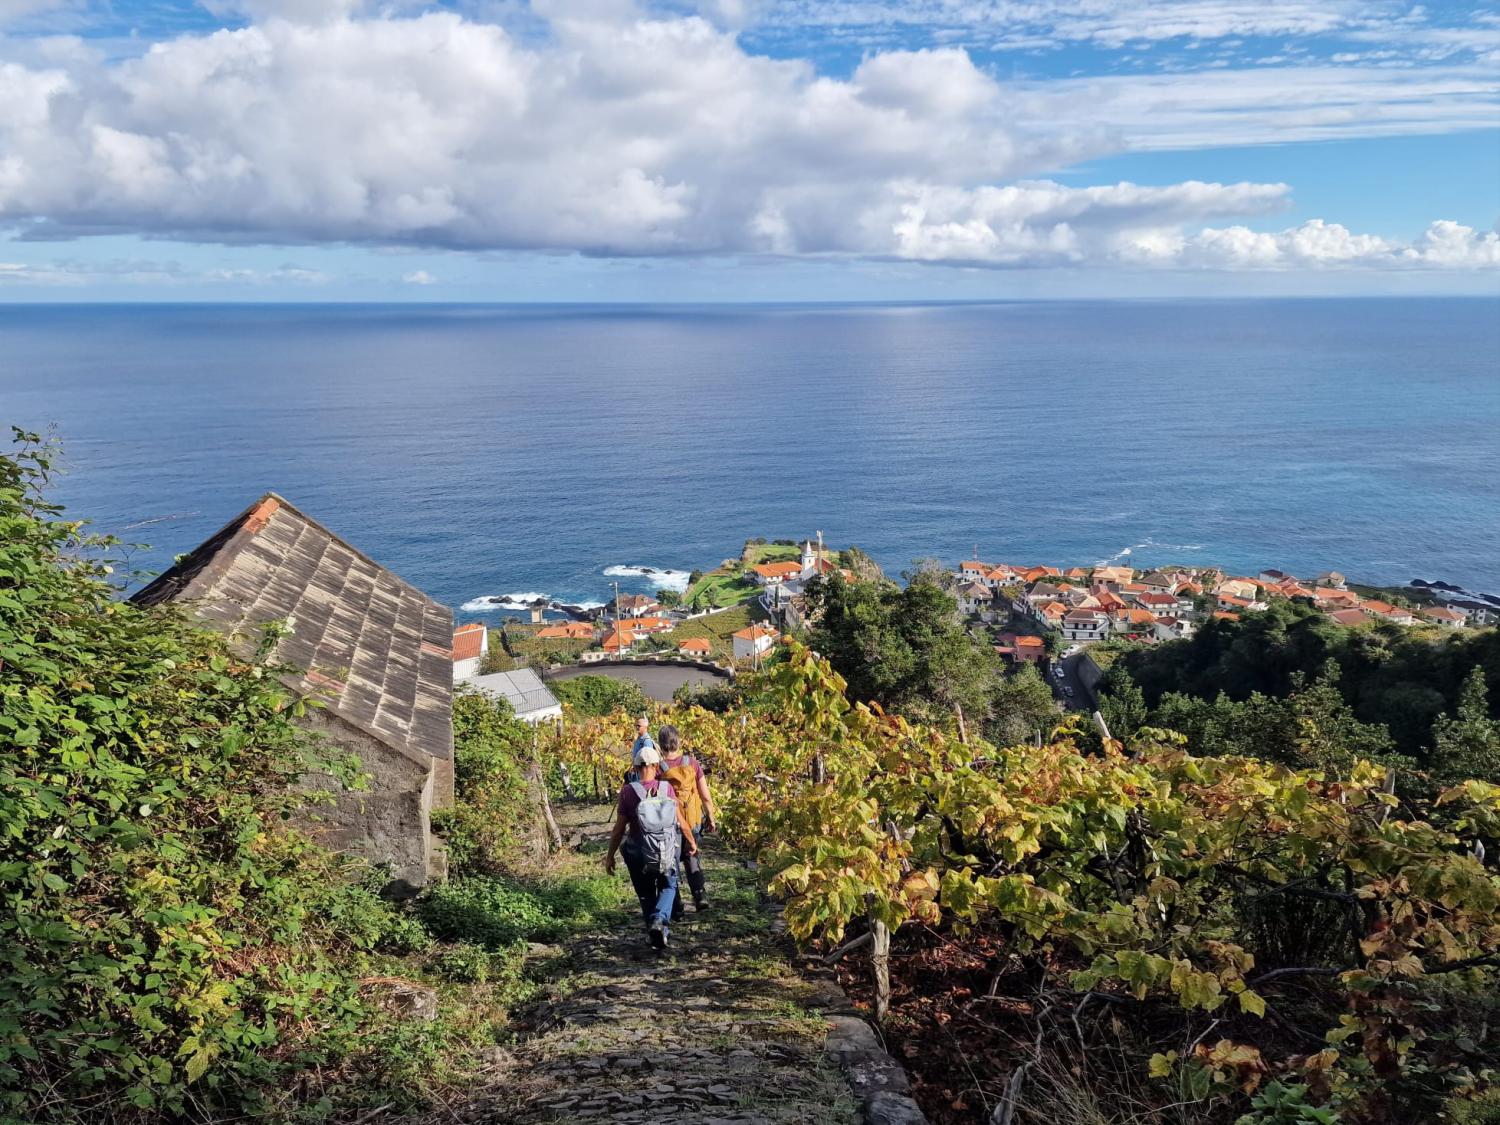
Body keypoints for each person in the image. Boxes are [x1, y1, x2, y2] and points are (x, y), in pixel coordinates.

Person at [604, 745, 699, 949]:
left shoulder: (628, 792)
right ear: (657, 766)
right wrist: (691, 842)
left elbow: (619, 829)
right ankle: (659, 924)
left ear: (636, 768)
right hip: (666, 850)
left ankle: (654, 928)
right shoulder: (666, 789)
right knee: (668, 885)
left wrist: (610, 856)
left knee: (646, 893)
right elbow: (681, 821)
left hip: (638, 852)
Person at [656, 724, 716, 914]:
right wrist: (711, 817)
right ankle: (700, 896)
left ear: (660, 744)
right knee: (692, 854)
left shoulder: (658, 769)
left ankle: (676, 905)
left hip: (670, 822)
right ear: (678, 741)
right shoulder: (692, 763)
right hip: (692, 819)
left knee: (671, 861)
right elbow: (705, 795)